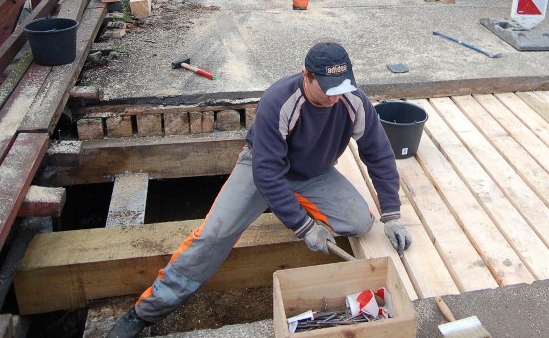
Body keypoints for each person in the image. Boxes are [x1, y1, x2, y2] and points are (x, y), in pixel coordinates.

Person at [107, 42, 412, 338]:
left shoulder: (352, 101)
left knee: (359, 222)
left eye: (342, 86)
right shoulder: (279, 101)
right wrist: (303, 226)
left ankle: (289, 201)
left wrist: (392, 214)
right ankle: (146, 311)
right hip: (261, 169)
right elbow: (267, 173)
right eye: (329, 88)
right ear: (307, 76)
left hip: (312, 173)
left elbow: (379, 154)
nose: (336, 97)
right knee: (215, 234)